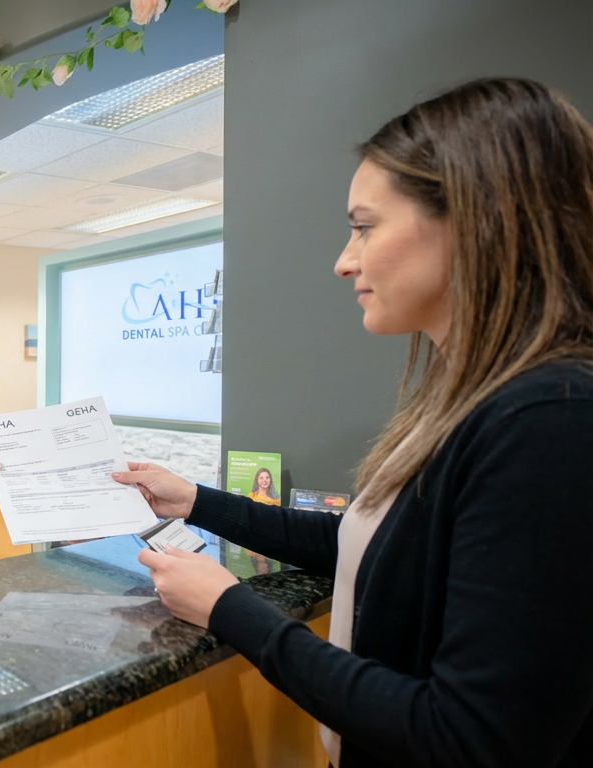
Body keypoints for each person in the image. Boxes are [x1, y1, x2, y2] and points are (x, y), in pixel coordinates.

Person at [113, 78, 593, 767]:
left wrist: (231, 609)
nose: (344, 261)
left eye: (365, 227)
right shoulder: (479, 401)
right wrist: (195, 500)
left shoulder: (550, 421)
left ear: (480, 217)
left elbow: (472, 739)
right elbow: (373, 545)